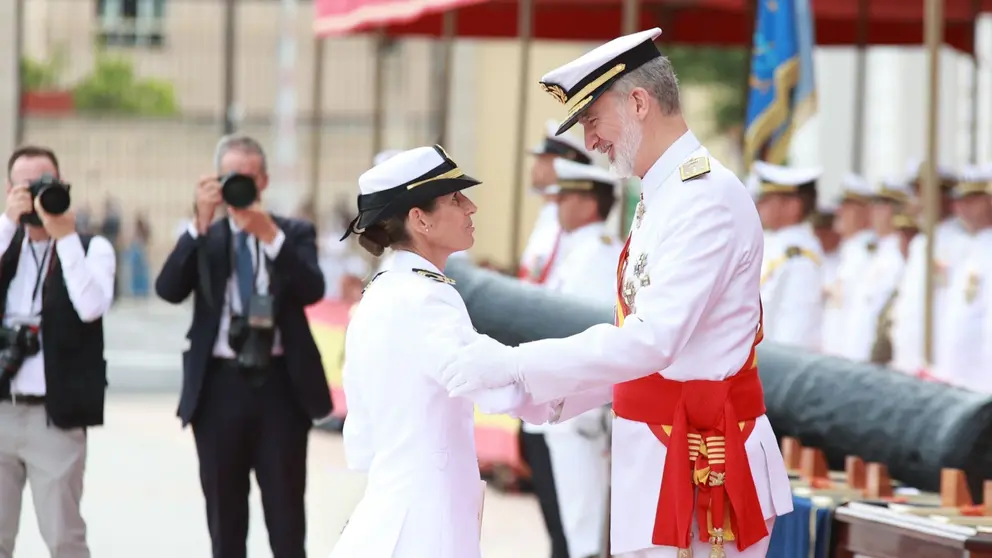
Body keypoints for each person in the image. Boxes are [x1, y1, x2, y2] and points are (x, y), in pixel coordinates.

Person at [441, 28, 792, 558]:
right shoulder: (663, 194)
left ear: (638, 101)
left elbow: (652, 343)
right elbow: (638, 354)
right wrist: (544, 399)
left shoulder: (704, 199)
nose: (590, 141)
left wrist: (518, 366)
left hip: (701, 461)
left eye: (591, 119)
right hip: (665, 457)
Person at [331, 145, 550, 558]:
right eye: (455, 198)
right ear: (420, 219)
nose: (471, 207)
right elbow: (498, 387)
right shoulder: (426, 298)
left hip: (392, 514)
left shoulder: (384, 291)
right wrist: (611, 375)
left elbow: (360, 440)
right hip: (424, 528)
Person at [155, 134, 332, 558]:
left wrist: (269, 236)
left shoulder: (292, 233)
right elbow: (168, 288)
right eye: (230, 178)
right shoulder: (206, 237)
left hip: (281, 390)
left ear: (264, 181)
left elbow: (312, 289)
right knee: (225, 520)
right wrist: (198, 222)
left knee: (287, 519)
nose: (239, 187)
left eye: (248, 178)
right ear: (215, 181)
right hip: (219, 389)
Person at [0, 145, 116, 558]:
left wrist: (64, 236)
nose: (34, 195)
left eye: (43, 184)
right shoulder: (4, 240)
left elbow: (90, 306)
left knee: (64, 539)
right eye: (23, 186)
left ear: (62, 186)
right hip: (1, 410)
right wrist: (7, 225)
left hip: (56, 417)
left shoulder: (90, 247)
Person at [518, 120, 591, 558]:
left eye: (546, 159)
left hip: (564, 392)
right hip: (540, 380)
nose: (538, 167)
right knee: (553, 509)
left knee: (574, 525)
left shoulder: (580, 234)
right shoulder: (550, 219)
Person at [541, 157, 620, 558]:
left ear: (590, 204)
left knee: (586, 529)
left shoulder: (597, 254)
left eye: (567, 196)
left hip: (581, 413)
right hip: (566, 407)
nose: (558, 203)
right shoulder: (581, 250)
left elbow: (589, 335)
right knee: (574, 526)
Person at [751, 161, 825, 350]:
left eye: (769, 199)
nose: (760, 204)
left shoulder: (799, 256)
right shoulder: (776, 245)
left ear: (793, 206)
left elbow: (794, 332)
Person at [839, 179, 909, 362]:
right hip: (851, 353)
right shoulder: (868, 251)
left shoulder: (900, 255)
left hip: (874, 359)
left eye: (883, 205)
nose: (875, 211)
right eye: (875, 204)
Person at [821, 174, 875, 357]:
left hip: (850, 357)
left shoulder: (867, 255)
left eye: (848, 207)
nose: (839, 212)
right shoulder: (850, 250)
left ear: (867, 212)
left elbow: (861, 318)